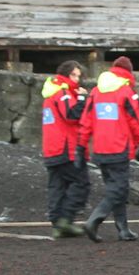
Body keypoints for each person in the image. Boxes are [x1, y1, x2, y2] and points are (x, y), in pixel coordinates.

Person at [80, 55, 139, 242]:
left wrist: (82, 146)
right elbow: (136, 121)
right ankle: (95, 219)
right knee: (119, 189)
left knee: (115, 188)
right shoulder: (126, 92)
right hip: (119, 147)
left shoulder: (95, 92)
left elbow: (86, 121)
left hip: (100, 148)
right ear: (129, 73)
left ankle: (123, 229)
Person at [39, 60, 89, 238]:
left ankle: (57, 223)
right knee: (81, 182)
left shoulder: (50, 93)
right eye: (73, 75)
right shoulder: (63, 92)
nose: (76, 79)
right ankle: (65, 220)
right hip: (65, 147)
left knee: (57, 185)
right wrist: (83, 99)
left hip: (51, 147)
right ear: (65, 74)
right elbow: (71, 115)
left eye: (78, 75)